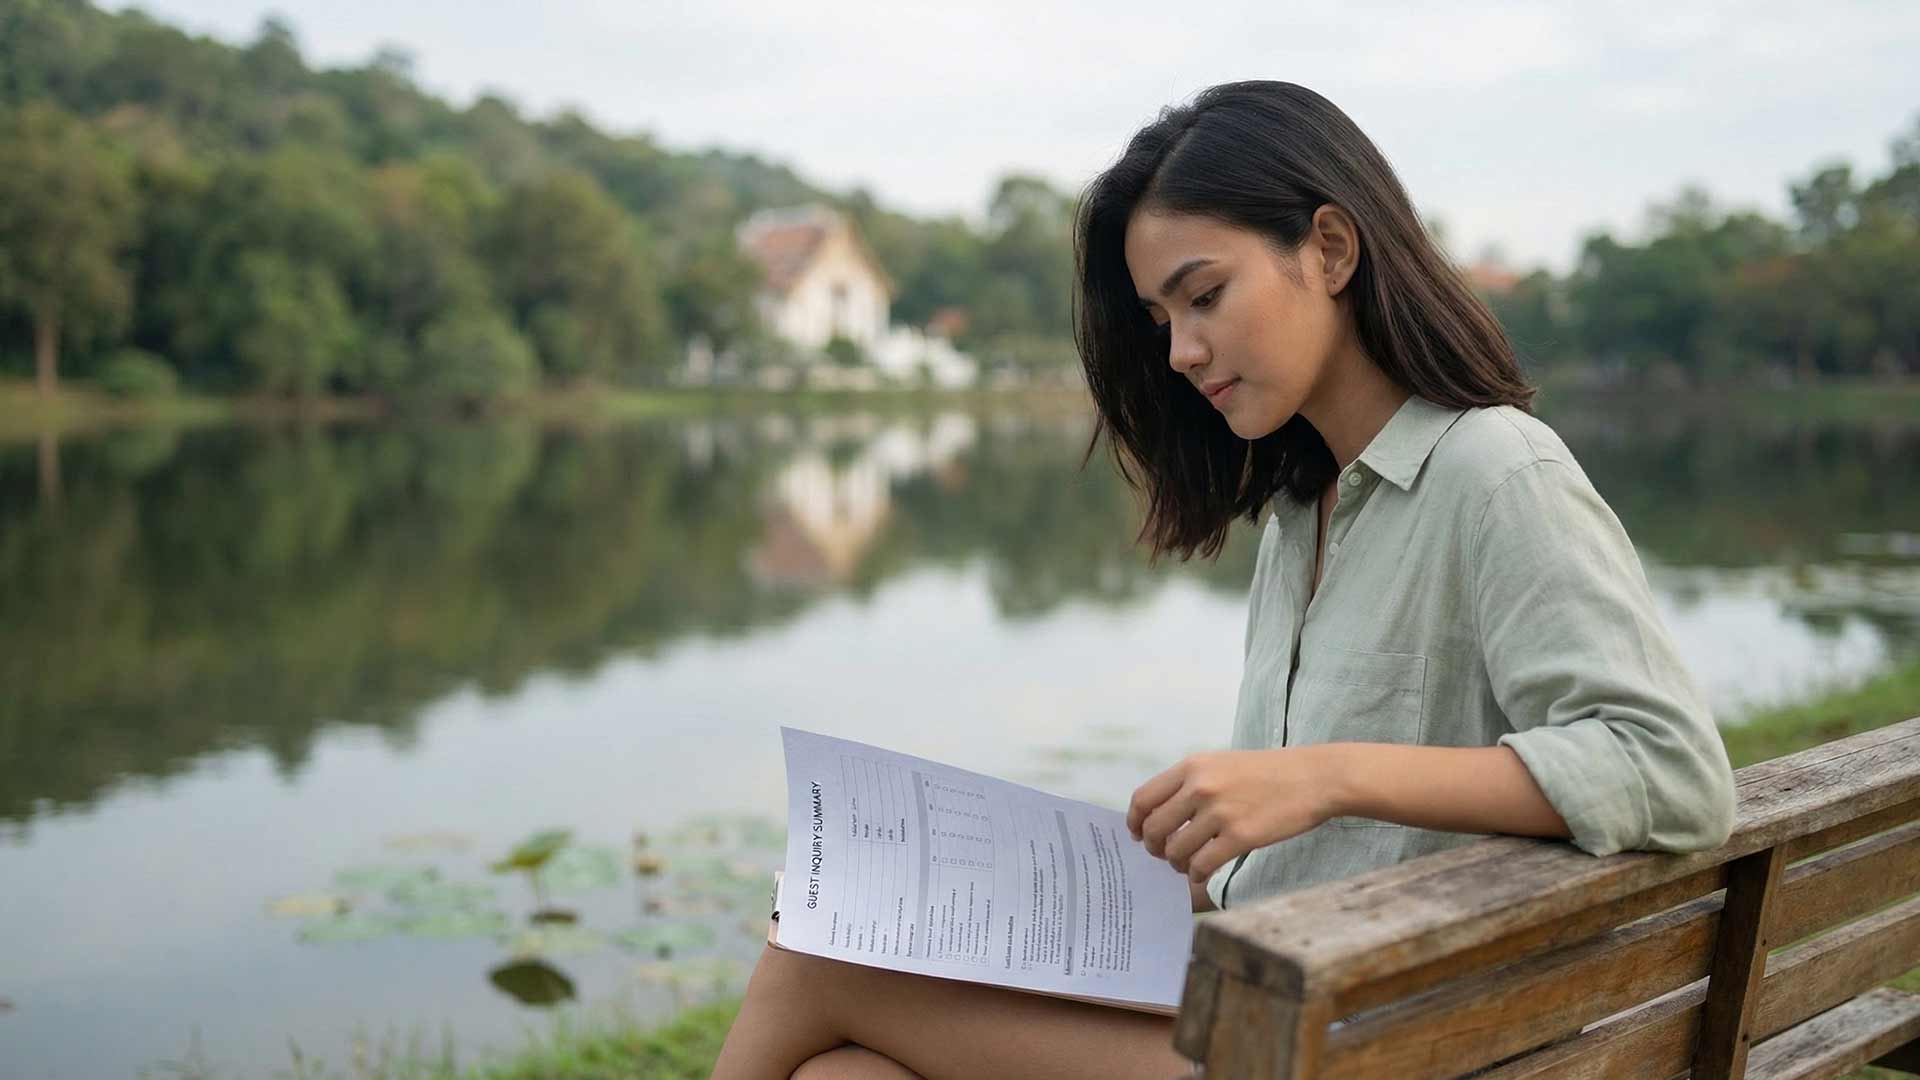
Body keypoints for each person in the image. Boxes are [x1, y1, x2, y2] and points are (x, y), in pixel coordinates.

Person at [712, 79, 1736, 1080]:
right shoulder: (1306, 512)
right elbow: (1297, 865)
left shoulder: (1494, 471)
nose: (1183, 351)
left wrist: (1324, 774)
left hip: (1380, 1038)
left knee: (816, 963)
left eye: (1205, 296)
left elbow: (1671, 771)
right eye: (1162, 318)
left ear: (1330, 249)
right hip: (1285, 996)